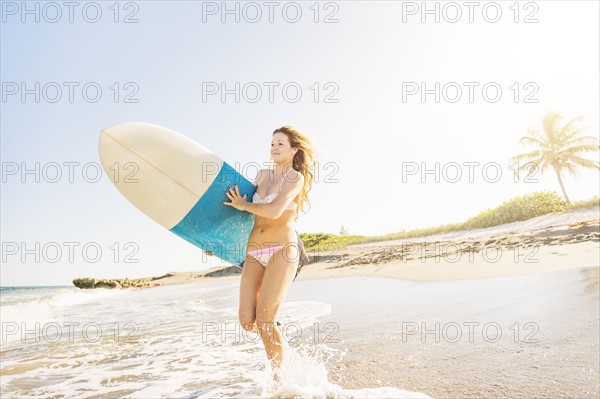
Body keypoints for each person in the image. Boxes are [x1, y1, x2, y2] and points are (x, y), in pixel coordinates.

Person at [222, 125, 315, 383]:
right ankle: (277, 332)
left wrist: (244, 204)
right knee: (247, 320)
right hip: (254, 251)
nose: (273, 147)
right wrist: (215, 241)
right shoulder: (262, 175)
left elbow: (274, 211)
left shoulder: (295, 178)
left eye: (280, 144)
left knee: (264, 320)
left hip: (282, 250)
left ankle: (279, 379)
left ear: (294, 149)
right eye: (272, 143)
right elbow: (238, 214)